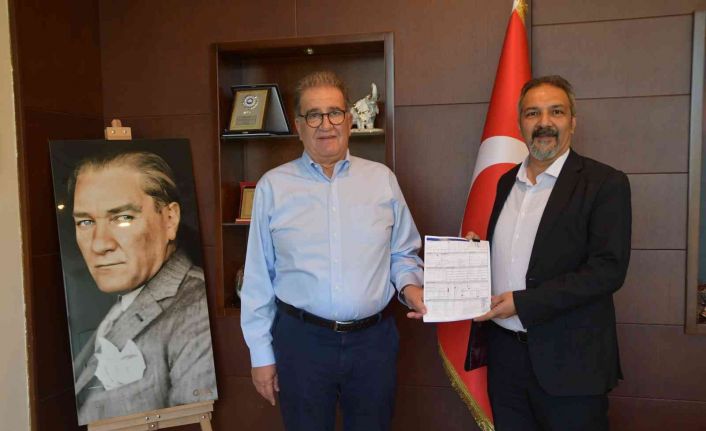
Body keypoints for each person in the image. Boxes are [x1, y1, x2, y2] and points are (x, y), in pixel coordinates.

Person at [240, 71, 426, 431]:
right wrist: (260, 355)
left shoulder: (381, 180)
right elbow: (259, 277)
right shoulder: (273, 187)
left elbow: (402, 253)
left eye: (334, 113)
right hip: (302, 343)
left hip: (373, 343)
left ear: (350, 119)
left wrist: (410, 288)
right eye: (314, 115)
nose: (326, 124)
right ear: (299, 126)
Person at [465, 75, 631, 430]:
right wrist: (475, 256)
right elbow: (518, 254)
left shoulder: (605, 183)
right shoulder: (506, 182)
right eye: (532, 113)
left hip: (571, 362)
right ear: (519, 124)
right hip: (505, 358)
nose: (544, 123)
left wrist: (523, 303)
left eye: (556, 112)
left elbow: (608, 270)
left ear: (573, 121)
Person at [69, 151, 217, 425]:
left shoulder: (194, 309)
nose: (100, 244)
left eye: (123, 217)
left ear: (170, 219)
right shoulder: (125, 302)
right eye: (86, 222)